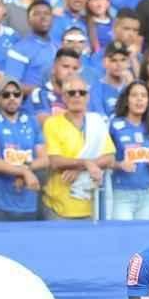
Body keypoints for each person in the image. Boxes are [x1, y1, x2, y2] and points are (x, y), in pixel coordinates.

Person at [42, 76, 115, 220]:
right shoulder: (52, 123)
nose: (77, 96)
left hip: (91, 206)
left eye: (81, 92)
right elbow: (55, 161)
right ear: (63, 97)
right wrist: (86, 163)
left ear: (87, 97)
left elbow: (110, 158)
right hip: (58, 207)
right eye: (71, 93)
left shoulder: (96, 122)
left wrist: (79, 167)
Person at [0, 75, 46, 222]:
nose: (12, 98)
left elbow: (44, 159)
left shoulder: (31, 121)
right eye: (6, 94)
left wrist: (25, 171)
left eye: (16, 94)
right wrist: (24, 172)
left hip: (27, 201)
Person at [109, 80, 149, 220]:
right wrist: (119, 165)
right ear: (126, 100)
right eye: (134, 95)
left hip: (148, 195)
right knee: (122, 239)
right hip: (121, 195)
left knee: (144, 239)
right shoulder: (114, 125)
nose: (139, 99)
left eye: (144, 96)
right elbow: (104, 160)